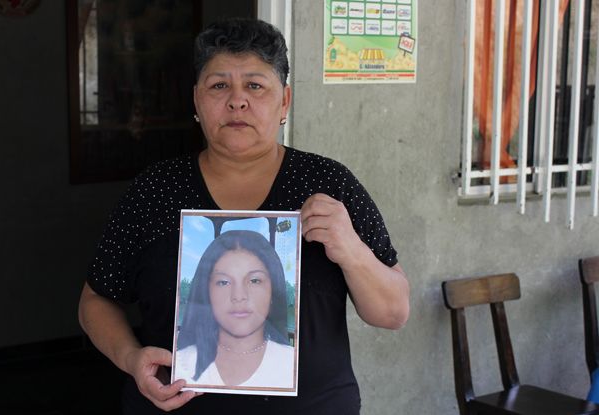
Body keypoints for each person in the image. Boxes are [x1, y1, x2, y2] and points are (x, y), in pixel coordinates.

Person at [78, 17, 410, 414]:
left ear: (284, 100)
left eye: (255, 85)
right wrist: (131, 358)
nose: (237, 101)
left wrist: (352, 251)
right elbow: (95, 301)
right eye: (219, 86)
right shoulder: (156, 190)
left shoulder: (328, 184)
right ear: (197, 101)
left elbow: (393, 312)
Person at [174, 230, 295, 389]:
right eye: (223, 282)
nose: (239, 296)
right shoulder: (180, 363)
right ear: (206, 292)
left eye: (254, 280)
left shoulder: (292, 363)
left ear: (273, 291)